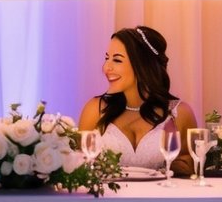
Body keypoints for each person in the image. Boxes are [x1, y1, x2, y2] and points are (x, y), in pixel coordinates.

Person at [77, 26, 197, 176]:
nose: (106, 67)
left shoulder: (179, 113)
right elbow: (79, 165)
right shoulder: (95, 109)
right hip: (108, 199)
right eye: (107, 58)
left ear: (142, 65)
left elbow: (190, 166)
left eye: (117, 60)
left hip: (159, 197)